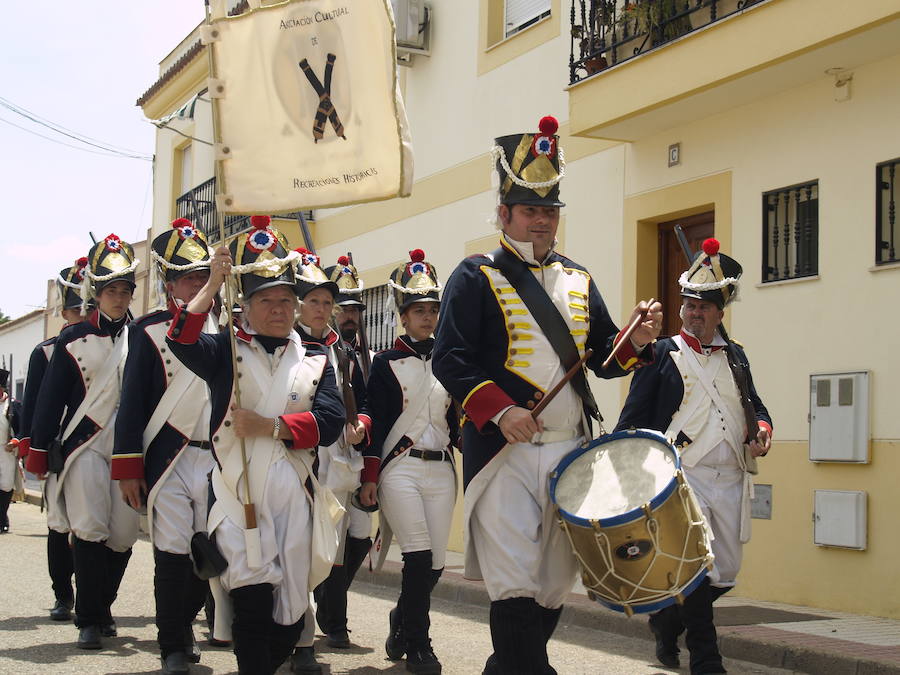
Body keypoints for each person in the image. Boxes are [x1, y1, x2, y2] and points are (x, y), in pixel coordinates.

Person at [431, 116, 662, 675]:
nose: (541, 220)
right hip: (505, 453)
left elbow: (605, 360)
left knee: (554, 583)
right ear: (504, 214)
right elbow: (450, 357)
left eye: (549, 210)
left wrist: (637, 340)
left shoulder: (579, 278)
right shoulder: (475, 275)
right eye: (530, 209)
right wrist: (501, 410)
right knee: (513, 581)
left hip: (570, 451)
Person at [166, 215, 345, 675]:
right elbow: (181, 337)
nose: (279, 309)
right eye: (266, 300)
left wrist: (270, 425)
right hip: (237, 494)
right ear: (245, 306)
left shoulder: (318, 360)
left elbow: (329, 421)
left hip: (294, 498)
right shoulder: (224, 351)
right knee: (249, 597)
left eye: (286, 300)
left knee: (288, 613)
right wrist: (213, 281)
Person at [615, 238, 772, 675]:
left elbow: (755, 407)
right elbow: (632, 418)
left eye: (704, 306)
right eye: (689, 305)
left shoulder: (736, 356)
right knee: (700, 565)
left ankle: (667, 620)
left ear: (721, 312)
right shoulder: (662, 354)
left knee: (724, 573)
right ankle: (707, 659)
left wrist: (761, 430)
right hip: (682, 476)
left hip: (731, 476)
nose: (695, 313)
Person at [27, 234, 141, 650]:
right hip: (85, 445)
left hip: (129, 447)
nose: (119, 297)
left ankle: (102, 603)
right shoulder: (72, 339)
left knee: (124, 534)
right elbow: (49, 399)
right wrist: (38, 450)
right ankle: (90, 619)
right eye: (111, 290)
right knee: (90, 529)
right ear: (97, 293)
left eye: (125, 290)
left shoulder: (142, 337)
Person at [111, 218, 215, 674]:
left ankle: (185, 622)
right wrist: (128, 468)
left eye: (201, 275)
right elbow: (132, 403)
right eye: (187, 276)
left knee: (212, 552)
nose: (195, 283)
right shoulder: (149, 331)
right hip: (169, 456)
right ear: (170, 283)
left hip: (217, 457)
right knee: (172, 553)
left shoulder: (228, 327)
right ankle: (172, 644)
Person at [359, 248, 458, 675]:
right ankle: (420, 643)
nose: (427, 318)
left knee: (434, 563)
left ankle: (402, 618)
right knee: (417, 556)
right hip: (399, 468)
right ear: (402, 316)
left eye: (433, 310)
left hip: (442, 468)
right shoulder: (384, 364)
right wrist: (369, 476)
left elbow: (458, 418)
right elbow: (376, 423)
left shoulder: (452, 361)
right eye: (418, 310)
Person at [288, 251, 372, 674]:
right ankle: (301, 639)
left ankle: (318, 624)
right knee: (299, 550)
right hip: (292, 455)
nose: (324, 311)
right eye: (314, 302)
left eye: (330, 304)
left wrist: (356, 422)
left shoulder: (339, 349)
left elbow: (352, 398)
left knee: (334, 544)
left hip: (334, 457)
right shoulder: (286, 345)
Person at [17, 258, 91, 619]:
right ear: (65, 313)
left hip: (95, 442)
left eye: (87, 307)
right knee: (60, 522)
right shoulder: (46, 351)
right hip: (61, 444)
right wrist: (35, 449)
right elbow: (34, 405)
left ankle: (95, 601)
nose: (83, 314)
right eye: (78, 309)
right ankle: (64, 594)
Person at [0, 368, 22, 533]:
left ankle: (3, 517)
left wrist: (14, 442)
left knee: (6, 486)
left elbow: (22, 429)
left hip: (6, 450)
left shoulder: (13, 406)